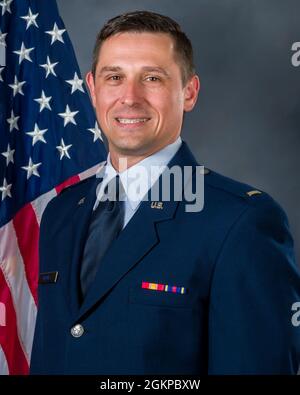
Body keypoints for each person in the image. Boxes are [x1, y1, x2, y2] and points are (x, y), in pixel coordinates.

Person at [30, 10, 300, 374]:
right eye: (115, 77)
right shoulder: (61, 213)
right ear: (92, 89)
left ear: (188, 93)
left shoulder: (238, 222)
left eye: (152, 78)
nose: (130, 97)